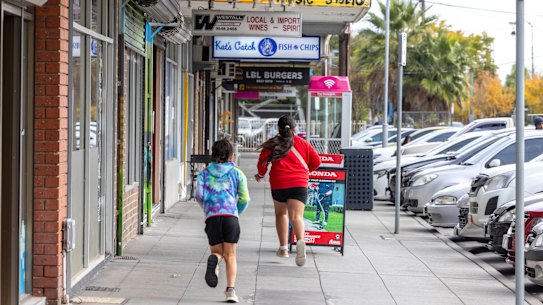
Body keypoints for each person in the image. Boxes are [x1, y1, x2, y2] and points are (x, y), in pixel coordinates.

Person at [255, 115, 321, 266]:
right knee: (297, 217)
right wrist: (304, 173)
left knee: (281, 214)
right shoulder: (303, 143)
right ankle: (300, 242)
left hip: (279, 183)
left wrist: (260, 175)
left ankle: (283, 249)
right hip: (299, 184)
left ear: (278, 128)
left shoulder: (272, 143)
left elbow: (262, 163)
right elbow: (317, 161)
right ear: (294, 128)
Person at [195, 139, 250, 303]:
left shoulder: (204, 173)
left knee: (217, 252)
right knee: (231, 255)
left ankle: (214, 260)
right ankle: (231, 291)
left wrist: (207, 209)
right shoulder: (237, 173)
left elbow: (198, 195)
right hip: (230, 217)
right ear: (231, 155)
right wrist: (236, 212)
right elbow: (245, 198)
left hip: (212, 217)